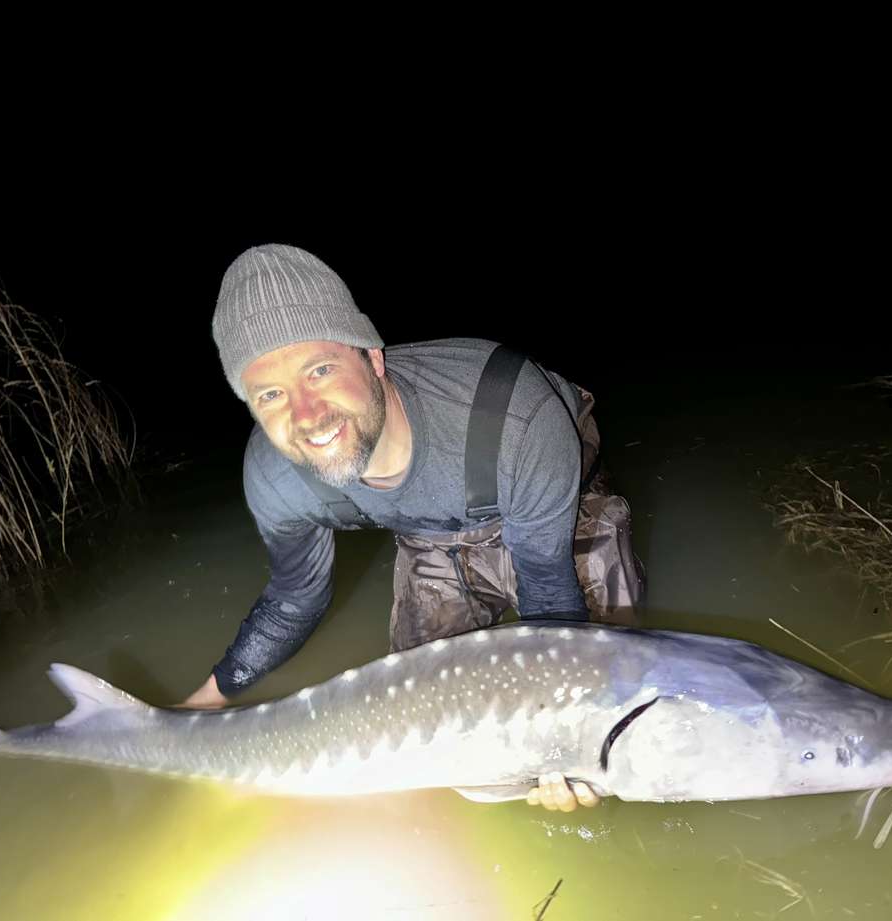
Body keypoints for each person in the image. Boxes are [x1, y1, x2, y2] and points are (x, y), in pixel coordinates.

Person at [181, 244, 645, 812]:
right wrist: (209, 695)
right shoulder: (277, 479)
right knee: (437, 740)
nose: (305, 415)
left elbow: (549, 585)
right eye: (270, 395)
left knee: (616, 690)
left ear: (373, 358)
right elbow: (294, 600)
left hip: (550, 497)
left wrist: (571, 742)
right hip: (431, 529)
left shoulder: (514, 411)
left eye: (320, 370)